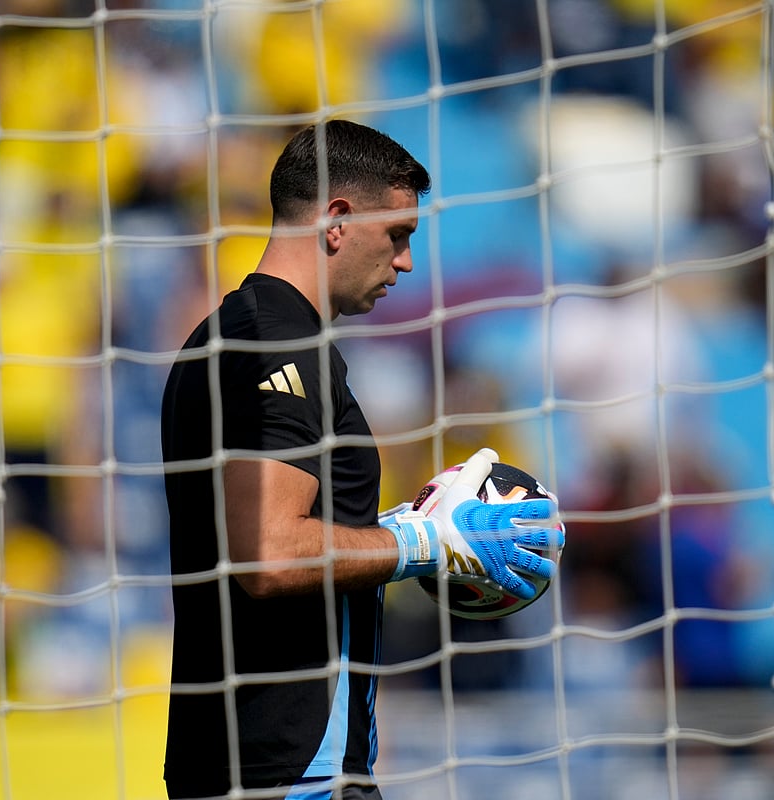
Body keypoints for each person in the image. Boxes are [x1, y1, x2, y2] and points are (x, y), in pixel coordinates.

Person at [160, 120, 563, 799]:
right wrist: (423, 541)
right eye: (399, 235)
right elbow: (267, 552)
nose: (406, 262)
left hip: (258, 766)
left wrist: (407, 523)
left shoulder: (240, 333)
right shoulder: (277, 345)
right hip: (286, 774)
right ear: (337, 220)